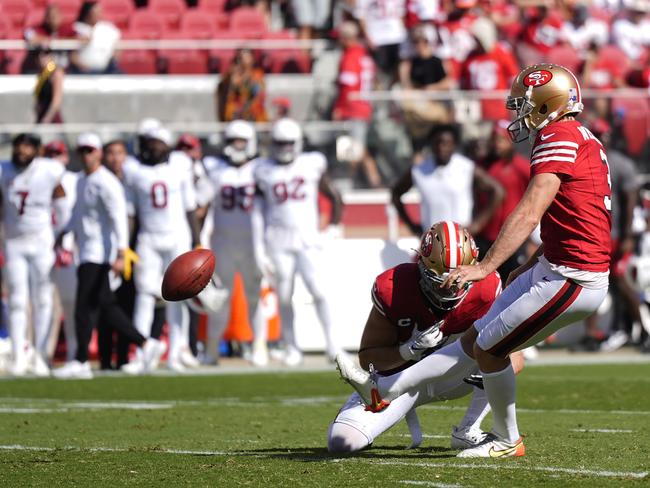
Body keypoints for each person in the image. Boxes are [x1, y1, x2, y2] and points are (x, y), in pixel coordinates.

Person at [337, 64, 612, 458]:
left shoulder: (558, 135)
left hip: (573, 275)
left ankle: (505, 439)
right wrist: (533, 259)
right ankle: (383, 389)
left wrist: (487, 266)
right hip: (556, 264)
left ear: (547, 104)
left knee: (490, 349)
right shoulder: (578, 136)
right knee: (474, 342)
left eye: (525, 105)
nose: (518, 113)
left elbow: (531, 211)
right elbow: (573, 218)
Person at [330, 222, 526, 453]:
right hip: (398, 382)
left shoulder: (485, 288)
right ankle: (374, 409)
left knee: (495, 350)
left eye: (459, 279)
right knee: (342, 443)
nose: (450, 289)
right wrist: (407, 350)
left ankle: (468, 429)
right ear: (421, 266)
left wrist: (490, 367)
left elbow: (516, 357)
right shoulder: (395, 287)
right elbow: (369, 361)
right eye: (441, 280)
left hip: (454, 377)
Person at [53, 133, 166, 380]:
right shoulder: (83, 180)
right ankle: (147, 344)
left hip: (99, 253)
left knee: (84, 308)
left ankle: (81, 360)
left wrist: (121, 252)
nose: (86, 155)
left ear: (98, 153)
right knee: (106, 307)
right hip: (86, 251)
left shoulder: (106, 182)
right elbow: (78, 213)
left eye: (90, 150)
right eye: (82, 151)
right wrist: (64, 234)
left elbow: (119, 218)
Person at [254, 118, 343, 365]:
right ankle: (291, 346)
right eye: (280, 143)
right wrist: (259, 247)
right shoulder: (262, 169)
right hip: (278, 240)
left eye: (288, 143)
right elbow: (257, 213)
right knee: (284, 296)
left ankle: (333, 345)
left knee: (320, 291)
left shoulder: (311, 164)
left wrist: (333, 226)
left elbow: (334, 195)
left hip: (307, 239)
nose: (284, 148)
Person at [123, 127, 201, 373]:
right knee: (145, 294)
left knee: (180, 297)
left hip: (178, 237)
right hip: (149, 238)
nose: (154, 148)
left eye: (159, 143)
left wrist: (197, 241)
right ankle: (141, 352)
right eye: (151, 143)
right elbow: (131, 213)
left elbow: (190, 207)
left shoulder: (180, 166)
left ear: (168, 146)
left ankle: (177, 351)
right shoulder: (134, 170)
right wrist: (127, 245)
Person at [196, 120, 268, 366]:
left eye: (241, 141)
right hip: (222, 242)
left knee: (254, 297)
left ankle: (260, 346)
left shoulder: (260, 168)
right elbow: (201, 204)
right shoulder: (214, 169)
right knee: (219, 299)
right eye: (232, 141)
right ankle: (212, 349)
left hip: (251, 244)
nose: (236, 146)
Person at [0, 134, 67, 377]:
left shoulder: (49, 170)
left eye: (27, 147)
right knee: (17, 299)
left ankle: (40, 355)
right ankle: (19, 355)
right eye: (18, 146)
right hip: (14, 242)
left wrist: (59, 234)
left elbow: (62, 206)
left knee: (43, 299)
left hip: (41, 242)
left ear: (38, 151)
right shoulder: (4, 170)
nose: (21, 151)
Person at [582, 119, 645, 352]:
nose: (601, 138)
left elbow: (630, 202)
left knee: (620, 282)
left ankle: (643, 328)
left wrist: (627, 235)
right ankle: (591, 334)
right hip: (594, 232)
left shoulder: (620, 164)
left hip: (615, 234)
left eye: (603, 134)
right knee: (591, 283)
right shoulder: (585, 161)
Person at [391, 124, 504, 237]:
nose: (442, 148)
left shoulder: (466, 167)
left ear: (454, 145)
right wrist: (412, 226)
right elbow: (395, 194)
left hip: (461, 239)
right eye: (438, 143)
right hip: (432, 241)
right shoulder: (419, 170)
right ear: (431, 144)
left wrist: (478, 224)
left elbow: (497, 191)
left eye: (446, 143)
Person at [475, 120, 530, 284]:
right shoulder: (484, 165)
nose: (496, 144)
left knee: (512, 284)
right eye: (494, 140)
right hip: (486, 238)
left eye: (500, 140)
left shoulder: (521, 166)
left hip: (513, 238)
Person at [332, 20, 381, 189]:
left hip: (352, 110)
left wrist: (339, 108)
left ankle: (348, 184)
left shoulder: (350, 58)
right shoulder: (365, 56)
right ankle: (374, 181)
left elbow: (347, 87)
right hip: (365, 107)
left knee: (350, 150)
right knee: (358, 147)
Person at [45, 140, 80, 363]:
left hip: (67, 248)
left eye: (59, 154)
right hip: (42, 247)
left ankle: (74, 352)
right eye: (51, 154)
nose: (55, 159)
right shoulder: (35, 177)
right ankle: (42, 354)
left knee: (70, 303)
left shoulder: (75, 180)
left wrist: (69, 244)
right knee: (42, 303)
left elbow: (76, 216)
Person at [398, 24, 452, 154]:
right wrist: (404, 71)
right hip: (420, 107)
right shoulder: (413, 63)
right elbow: (407, 85)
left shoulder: (436, 61)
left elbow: (448, 82)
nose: (418, 45)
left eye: (421, 42)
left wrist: (432, 88)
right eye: (415, 42)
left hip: (435, 105)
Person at [459, 17, 519, 123]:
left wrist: (512, 104)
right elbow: (463, 83)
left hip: (499, 110)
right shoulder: (470, 56)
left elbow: (514, 79)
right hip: (476, 111)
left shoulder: (501, 52)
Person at [68, 1, 121, 75]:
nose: (99, 14)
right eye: (96, 12)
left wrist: (113, 58)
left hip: (107, 70)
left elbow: (118, 45)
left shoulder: (107, 28)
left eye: (99, 11)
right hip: (82, 71)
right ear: (87, 14)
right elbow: (71, 55)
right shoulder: (76, 28)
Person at [216, 49, 268, 122]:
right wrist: (232, 79)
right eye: (240, 58)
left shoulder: (257, 75)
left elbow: (257, 93)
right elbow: (224, 94)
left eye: (246, 56)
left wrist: (244, 77)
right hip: (235, 118)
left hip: (253, 117)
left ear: (252, 59)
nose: (243, 60)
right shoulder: (230, 76)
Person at [34, 47, 65, 124]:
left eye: (45, 54)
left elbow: (56, 100)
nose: (41, 57)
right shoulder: (42, 74)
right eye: (39, 55)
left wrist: (48, 117)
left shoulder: (56, 72)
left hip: (51, 117)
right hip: (42, 115)